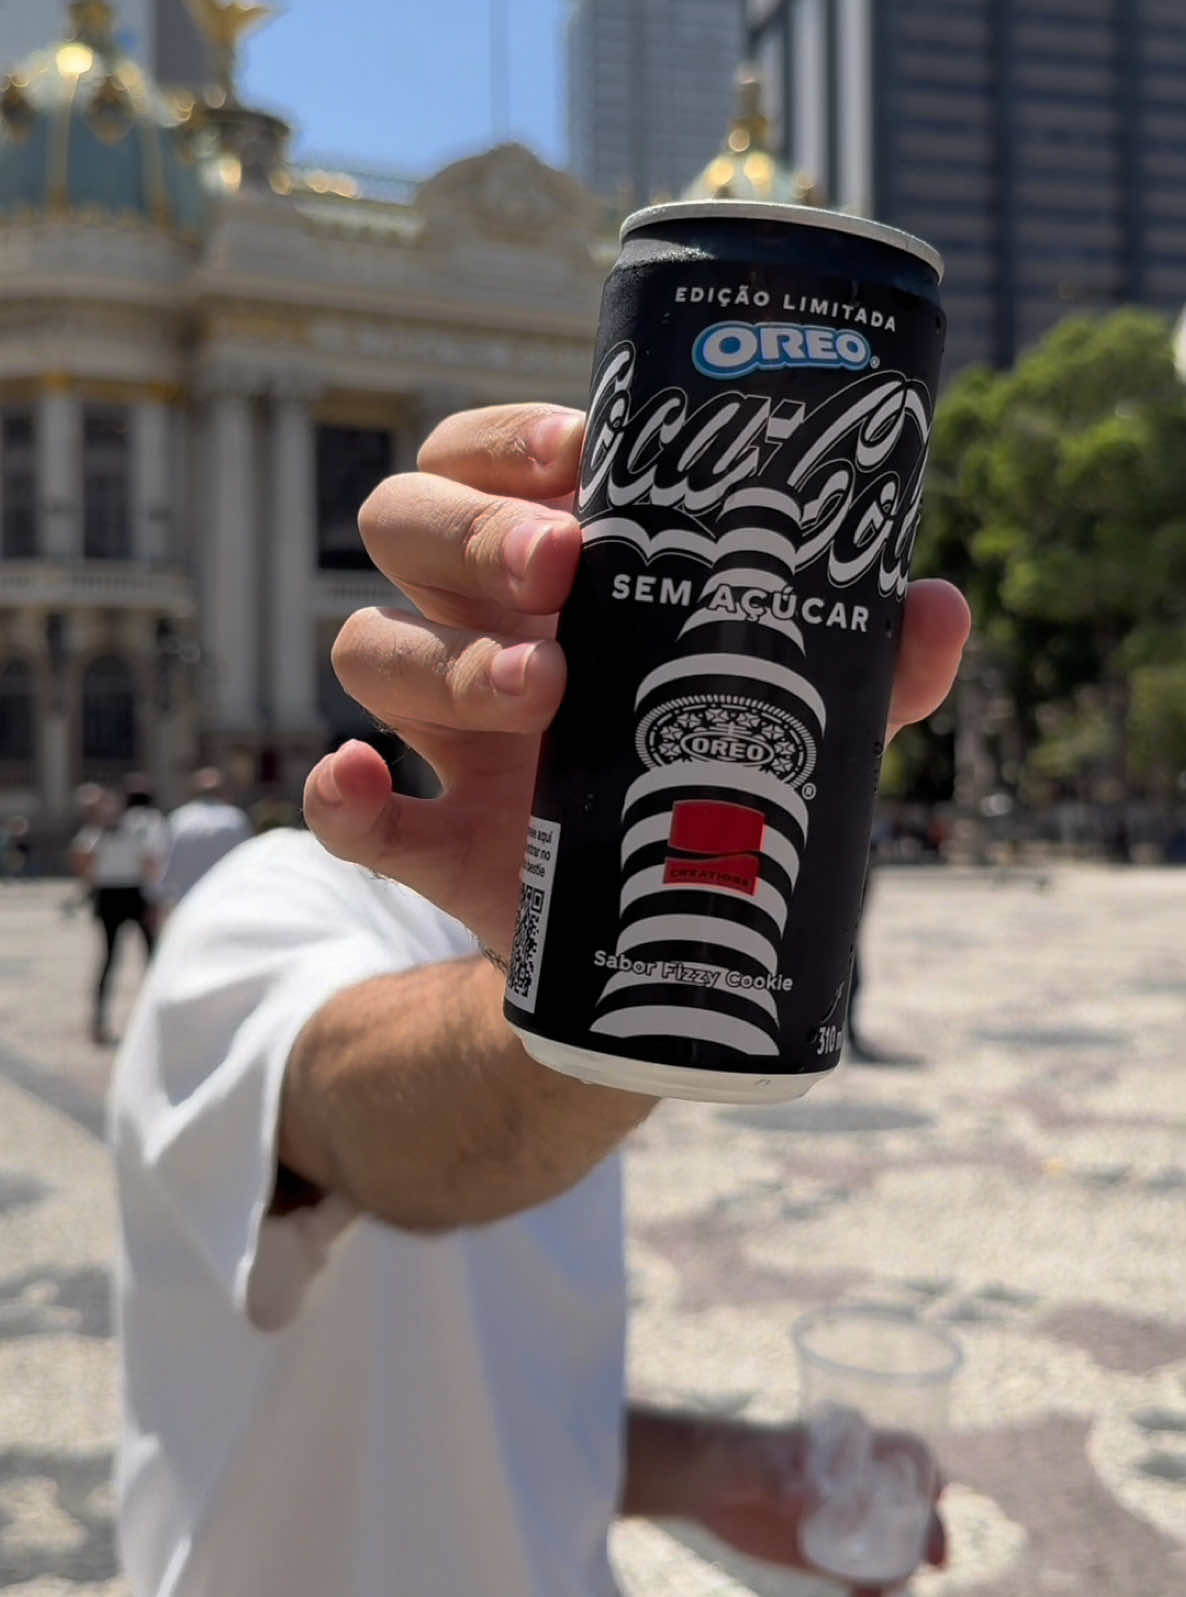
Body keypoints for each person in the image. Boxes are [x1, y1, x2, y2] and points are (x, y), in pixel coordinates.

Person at [109, 402, 971, 1597]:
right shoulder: (260, 907)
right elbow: (389, 1147)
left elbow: (493, 1401)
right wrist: (581, 973)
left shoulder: (571, 931)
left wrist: (722, 1469)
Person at [80, 787, 165, 1044]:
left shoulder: (135, 828)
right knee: (109, 959)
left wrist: (152, 898)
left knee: (152, 958)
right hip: (111, 894)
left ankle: (158, 1020)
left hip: (132, 892)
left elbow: (149, 863)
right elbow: (83, 859)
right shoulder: (95, 833)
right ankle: (99, 1022)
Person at [156, 766, 252, 911]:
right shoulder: (235, 819)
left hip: (186, 900)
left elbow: (166, 860)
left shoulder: (179, 819)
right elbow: (248, 859)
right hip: (226, 898)